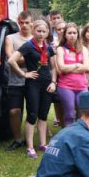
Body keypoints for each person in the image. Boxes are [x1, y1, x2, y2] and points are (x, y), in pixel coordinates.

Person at [7, 19, 57, 158]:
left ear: (48, 32)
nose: (41, 34)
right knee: (32, 115)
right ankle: (29, 147)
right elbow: (11, 60)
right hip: (33, 85)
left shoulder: (49, 48)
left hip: (47, 84)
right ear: (33, 30)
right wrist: (24, 74)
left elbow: (53, 67)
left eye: (44, 31)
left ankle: (43, 144)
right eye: (38, 31)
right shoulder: (28, 46)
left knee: (43, 115)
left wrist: (53, 82)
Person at [5, 11, 33, 151]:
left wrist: (19, 59)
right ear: (18, 22)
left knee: (33, 110)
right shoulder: (10, 38)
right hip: (15, 80)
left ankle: (33, 139)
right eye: (21, 23)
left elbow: (41, 59)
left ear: (31, 23)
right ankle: (17, 139)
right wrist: (30, 59)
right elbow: (10, 59)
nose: (24, 25)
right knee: (14, 111)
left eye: (27, 22)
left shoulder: (36, 38)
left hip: (33, 80)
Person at [56, 23, 89, 126]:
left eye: (74, 33)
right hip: (66, 86)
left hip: (82, 86)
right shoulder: (60, 49)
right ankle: (69, 136)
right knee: (69, 114)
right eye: (69, 33)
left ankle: (80, 136)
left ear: (78, 35)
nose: (72, 35)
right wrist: (77, 65)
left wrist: (68, 68)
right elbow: (61, 67)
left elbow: (87, 67)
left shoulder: (83, 49)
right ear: (65, 35)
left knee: (82, 113)